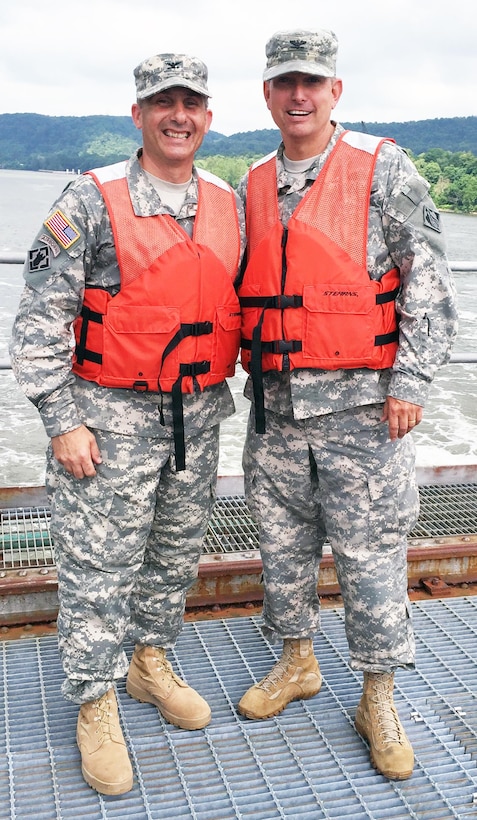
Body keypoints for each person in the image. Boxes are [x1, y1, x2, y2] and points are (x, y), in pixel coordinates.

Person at [10, 53, 245, 795]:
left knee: (173, 556)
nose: (178, 115)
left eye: (191, 103)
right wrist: (62, 421)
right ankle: (94, 700)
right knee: (96, 570)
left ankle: (148, 664)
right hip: (105, 423)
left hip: (197, 418)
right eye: (162, 102)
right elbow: (38, 324)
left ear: (208, 117)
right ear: (137, 114)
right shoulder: (89, 197)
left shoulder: (226, 200)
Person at [235, 29, 458, 780]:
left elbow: (427, 280)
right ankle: (297, 663)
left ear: (335, 91)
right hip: (274, 408)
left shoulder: (381, 165)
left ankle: (377, 695)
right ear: (267, 94)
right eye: (284, 82)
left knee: (370, 557)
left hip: (364, 407)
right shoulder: (253, 180)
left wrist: (411, 383)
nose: (298, 95)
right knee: (282, 547)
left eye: (313, 82)